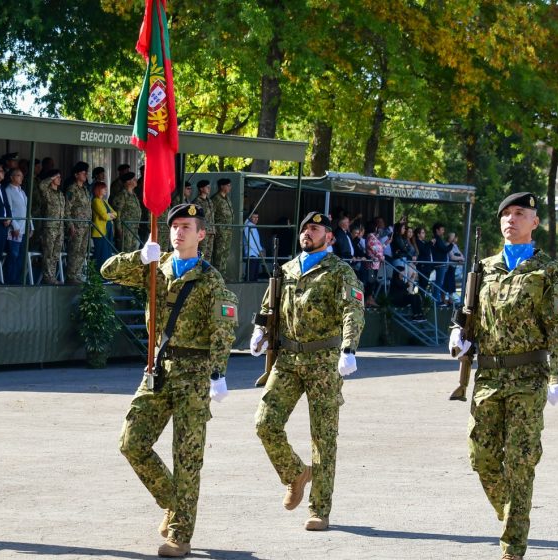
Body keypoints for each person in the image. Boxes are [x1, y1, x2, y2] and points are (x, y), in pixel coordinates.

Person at [101, 203, 237, 558]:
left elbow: (223, 329)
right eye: (174, 226)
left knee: (187, 457)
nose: (178, 232)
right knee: (132, 443)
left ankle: (180, 534)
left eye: (186, 226)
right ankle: (173, 504)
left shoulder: (209, 280)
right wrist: (139, 256)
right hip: (158, 369)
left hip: (194, 373)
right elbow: (107, 271)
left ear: (201, 234)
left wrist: (218, 373)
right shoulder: (155, 269)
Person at [447, 192, 558, 560]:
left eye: (520, 214)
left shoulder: (548, 270)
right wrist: (459, 335)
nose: (510, 219)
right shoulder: (483, 269)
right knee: (481, 458)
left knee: (520, 460)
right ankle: (513, 516)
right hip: (487, 376)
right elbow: (468, 314)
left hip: (528, 375)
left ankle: (513, 545)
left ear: (534, 223)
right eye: (505, 214)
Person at [250, 211, 365, 532]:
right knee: (265, 423)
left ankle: (319, 509)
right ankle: (295, 473)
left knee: (323, 438)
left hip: (324, 360)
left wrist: (349, 347)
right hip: (287, 359)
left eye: (314, 229)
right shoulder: (286, 269)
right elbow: (267, 305)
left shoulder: (339, 271)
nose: (307, 233)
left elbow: (353, 308)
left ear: (329, 236)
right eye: (304, 228)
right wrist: (259, 331)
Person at [64, 162, 94, 284]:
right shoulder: (72, 189)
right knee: (74, 250)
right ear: (76, 175)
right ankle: (71, 276)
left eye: (86, 172)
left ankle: (78, 274)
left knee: (82, 251)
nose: (85, 174)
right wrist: (70, 225)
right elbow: (67, 209)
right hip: (76, 226)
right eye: (83, 173)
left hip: (86, 225)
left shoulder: (85, 189)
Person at [36, 168, 66, 285]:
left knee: (55, 254)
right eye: (57, 177)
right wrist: (51, 177)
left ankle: (52, 276)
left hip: (59, 227)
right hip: (49, 227)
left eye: (59, 177)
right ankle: (48, 277)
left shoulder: (60, 194)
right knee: (48, 252)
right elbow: (41, 186)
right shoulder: (47, 191)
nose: (59, 179)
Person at [3, 169, 29, 285]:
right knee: (14, 254)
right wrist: (15, 226)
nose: (21, 178)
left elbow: (27, 210)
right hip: (14, 229)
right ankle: (10, 280)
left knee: (21, 255)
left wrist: (31, 226)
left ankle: (18, 280)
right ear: (12, 177)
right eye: (18, 175)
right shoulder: (8, 190)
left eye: (22, 176)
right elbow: (9, 210)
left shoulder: (22, 191)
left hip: (24, 228)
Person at [110, 171, 141, 254]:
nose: (136, 180)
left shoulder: (133, 195)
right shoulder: (122, 195)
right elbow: (118, 212)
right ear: (128, 182)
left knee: (132, 251)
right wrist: (119, 228)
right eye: (134, 179)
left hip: (134, 227)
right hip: (125, 228)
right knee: (125, 252)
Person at [91, 181, 117, 270]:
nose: (105, 190)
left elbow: (115, 213)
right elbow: (104, 216)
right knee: (101, 254)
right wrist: (110, 215)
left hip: (108, 230)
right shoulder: (96, 201)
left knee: (107, 253)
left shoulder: (104, 201)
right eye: (103, 188)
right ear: (98, 190)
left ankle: (106, 274)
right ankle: (100, 275)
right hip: (100, 232)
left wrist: (109, 215)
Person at [211, 178, 234, 274]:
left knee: (225, 254)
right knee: (218, 254)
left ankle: (222, 275)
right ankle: (217, 276)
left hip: (228, 230)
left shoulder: (227, 198)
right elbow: (211, 215)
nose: (230, 187)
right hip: (220, 231)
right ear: (222, 186)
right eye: (228, 185)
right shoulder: (216, 199)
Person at [193, 180, 214, 258]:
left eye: (209, 187)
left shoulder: (210, 201)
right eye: (207, 187)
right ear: (201, 189)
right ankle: (199, 269)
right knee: (201, 253)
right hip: (202, 232)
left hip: (211, 231)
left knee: (208, 255)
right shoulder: (196, 202)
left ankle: (207, 270)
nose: (209, 188)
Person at [243, 211, 265, 282]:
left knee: (254, 277)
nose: (256, 219)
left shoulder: (252, 226)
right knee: (251, 278)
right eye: (254, 217)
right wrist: (259, 251)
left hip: (256, 254)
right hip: (251, 254)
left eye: (257, 217)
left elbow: (256, 242)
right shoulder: (248, 226)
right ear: (250, 217)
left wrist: (261, 250)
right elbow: (251, 242)